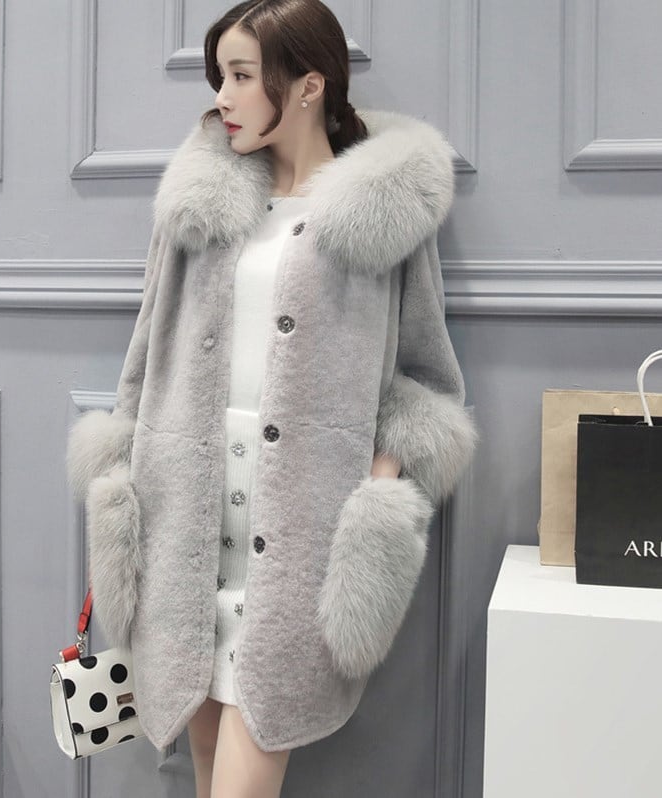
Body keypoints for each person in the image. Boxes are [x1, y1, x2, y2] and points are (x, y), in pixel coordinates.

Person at [65, 0, 477, 796]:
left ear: (308, 85)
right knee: (204, 774)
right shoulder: (199, 205)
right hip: (187, 527)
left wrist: (374, 496)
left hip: (298, 541)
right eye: (219, 76)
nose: (222, 96)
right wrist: (122, 473)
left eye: (241, 76)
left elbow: (426, 378)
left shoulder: (383, 213)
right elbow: (145, 352)